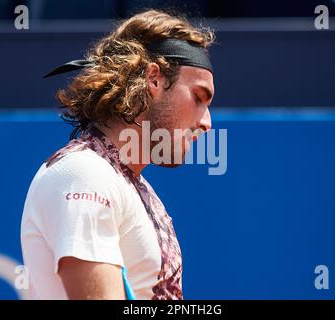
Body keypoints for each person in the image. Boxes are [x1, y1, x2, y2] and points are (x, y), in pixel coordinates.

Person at [20, 9, 215, 300]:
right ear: (154, 80)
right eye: (199, 97)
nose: (207, 122)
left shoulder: (126, 184)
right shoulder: (85, 175)